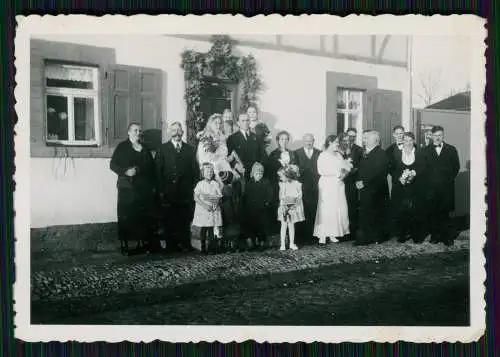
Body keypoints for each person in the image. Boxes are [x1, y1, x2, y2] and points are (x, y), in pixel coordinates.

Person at [110, 123, 156, 255]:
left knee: (142, 216)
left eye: (139, 131)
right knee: (126, 215)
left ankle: (141, 243)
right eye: (135, 130)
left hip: (143, 188)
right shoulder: (122, 147)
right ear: (128, 132)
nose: (138, 133)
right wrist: (125, 171)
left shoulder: (145, 148)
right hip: (127, 187)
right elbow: (112, 165)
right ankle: (125, 245)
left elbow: (151, 167)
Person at [157, 122, 199, 252]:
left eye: (179, 130)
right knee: (170, 217)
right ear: (170, 132)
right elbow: (158, 171)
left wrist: (193, 187)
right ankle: (171, 245)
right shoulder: (163, 149)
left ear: (182, 132)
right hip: (169, 190)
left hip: (185, 190)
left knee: (185, 216)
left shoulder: (189, 149)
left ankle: (185, 243)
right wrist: (161, 189)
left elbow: (195, 170)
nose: (177, 132)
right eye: (174, 130)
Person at [421, 125, 460, 246]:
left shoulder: (451, 149)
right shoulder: (425, 151)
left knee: (445, 213)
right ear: (431, 136)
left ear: (443, 136)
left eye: (440, 135)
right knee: (433, 212)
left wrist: (447, 180)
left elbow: (456, 167)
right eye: (435, 135)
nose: (437, 138)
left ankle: (447, 237)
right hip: (431, 189)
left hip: (446, 188)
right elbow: (422, 169)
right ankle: (435, 235)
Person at [313, 135, 352, 245]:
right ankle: (322, 235)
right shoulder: (323, 155)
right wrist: (337, 173)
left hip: (338, 184)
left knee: (337, 208)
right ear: (329, 143)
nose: (337, 144)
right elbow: (321, 170)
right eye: (335, 142)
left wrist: (345, 172)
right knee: (326, 208)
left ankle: (332, 233)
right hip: (327, 184)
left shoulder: (339, 155)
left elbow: (343, 167)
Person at [389, 132, 427, 243]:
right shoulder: (396, 153)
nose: (408, 143)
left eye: (410, 140)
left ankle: (417, 236)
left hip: (415, 187)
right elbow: (392, 168)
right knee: (401, 211)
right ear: (403, 141)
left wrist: (414, 173)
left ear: (414, 141)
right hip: (400, 187)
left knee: (416, 211)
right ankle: (401, 234)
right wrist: (399, 178)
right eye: (406, 140)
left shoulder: (420, 153)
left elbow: (423, 167)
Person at [355, 131, 390, 246]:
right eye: (364, 138)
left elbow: (380, 172)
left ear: (375, 141)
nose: (364, 140)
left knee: (376, 214)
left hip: (376, 190)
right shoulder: (364, 152)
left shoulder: (381, 153)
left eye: (367, 138)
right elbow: (361, 169)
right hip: (366, 189)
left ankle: (376, 237)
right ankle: (365, 238)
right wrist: (358, 181)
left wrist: (364, 182)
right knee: (366, 213)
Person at [294, 133, 321, 245]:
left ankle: (313, 236)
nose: (308, 143)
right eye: (306, 141)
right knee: (301, 210)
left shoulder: (319, 153)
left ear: (314, 141)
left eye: (310, 141)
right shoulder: (296, 153)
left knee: (313, 210)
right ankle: (301, 237)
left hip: (315, 187)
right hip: (302, 186)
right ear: (303, 141)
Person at [227, 111, 268, 181]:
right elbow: (228, 157)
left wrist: (259, 166)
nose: (245, 123)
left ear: (249, 121)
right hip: (240, 175)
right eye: (242, 121)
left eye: (247, 120)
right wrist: (236, 166)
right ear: (238, 123)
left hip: (256, 174)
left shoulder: (256, 137)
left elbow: (264, 155)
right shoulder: (232, 138)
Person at [192, 163, 224, 254]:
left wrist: (216, 203)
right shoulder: (200, 184)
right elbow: (196, 197)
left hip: (213, 208)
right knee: (203, 229)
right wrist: (205, 205)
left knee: (211, 228)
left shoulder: (215, 184)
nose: (209, 173)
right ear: (203, 173)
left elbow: (219, 196)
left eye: (211, 172)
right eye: (207, 172)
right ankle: (203, 248)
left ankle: (211, 248)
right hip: (203, 209)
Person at [242, 162, 274, 250]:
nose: (259, 175)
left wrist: (267, 202)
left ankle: (262, 242)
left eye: (261, 173)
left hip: (262, 208)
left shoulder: (266, 182)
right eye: (257, 173)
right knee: (251, 224)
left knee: (262, 225)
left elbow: (270, 194)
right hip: (251, 208)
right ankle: (252, 242)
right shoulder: (250, 183)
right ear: (253, 173)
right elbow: (246, 195)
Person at [341, 129, 364, 240]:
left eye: (354, 136)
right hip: (340, 182)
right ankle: (341, 232)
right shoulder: (340, 148)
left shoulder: (359, 150)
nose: (351, 138)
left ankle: (352, 232)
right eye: (350, 136)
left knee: (352, 206)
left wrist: (354, 172)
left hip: (352, 182)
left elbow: (361, 166)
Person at [277, 165, 305, 250]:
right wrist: (283, 206)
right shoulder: (282, 185)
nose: (280, 178)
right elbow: (281, 196)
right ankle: (282, 244)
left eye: (281, 176)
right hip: (285, 207)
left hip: (293, 207)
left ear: (287, 175)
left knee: (291, 225)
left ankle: (292, 243)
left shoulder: (297, 184)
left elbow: (299, 196)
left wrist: (295, 206)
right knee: (283, 225)